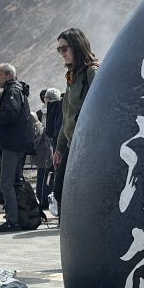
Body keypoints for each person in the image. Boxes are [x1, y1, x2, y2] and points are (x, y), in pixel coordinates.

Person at [53, 28, 99, 211]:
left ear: (77, 46)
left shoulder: (91, 72)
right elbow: (67, 117)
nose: (62, 54)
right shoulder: (71, 76)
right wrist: (59, 148)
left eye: (64, 48)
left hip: (88, 145)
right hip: (73, 145)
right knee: (60, 191)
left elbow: (98, 109)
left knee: (73, 192)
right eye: (59, 50)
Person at [0, 64, 36, 233]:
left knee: (7, 182)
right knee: (16, 181)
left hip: (12, 143)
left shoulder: (12, 91)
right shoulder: (19, 90)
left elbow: (11, 115)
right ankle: (21, 216)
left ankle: (12, 220)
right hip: (20, 143)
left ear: (8, 75)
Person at [36, 88, 62, 212]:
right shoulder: (60, 108)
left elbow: (50, 130)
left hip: (48, 147)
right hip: (53, 147)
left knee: (45, 174)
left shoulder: (47, 111)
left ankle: (44, 199)